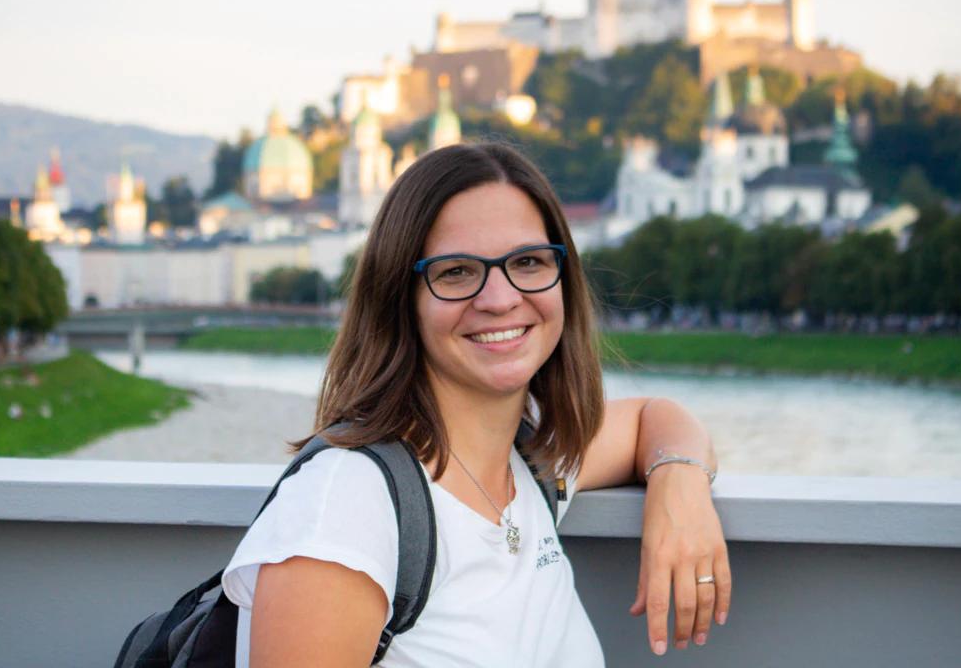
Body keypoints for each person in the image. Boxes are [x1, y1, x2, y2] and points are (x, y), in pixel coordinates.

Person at [222, 142, 730, 666]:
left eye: (528, 262)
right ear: (400, 298)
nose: (500, 299)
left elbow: (655, 418)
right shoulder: (346, 505)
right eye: (457, 272)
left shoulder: (530, 462)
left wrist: (680, 486)